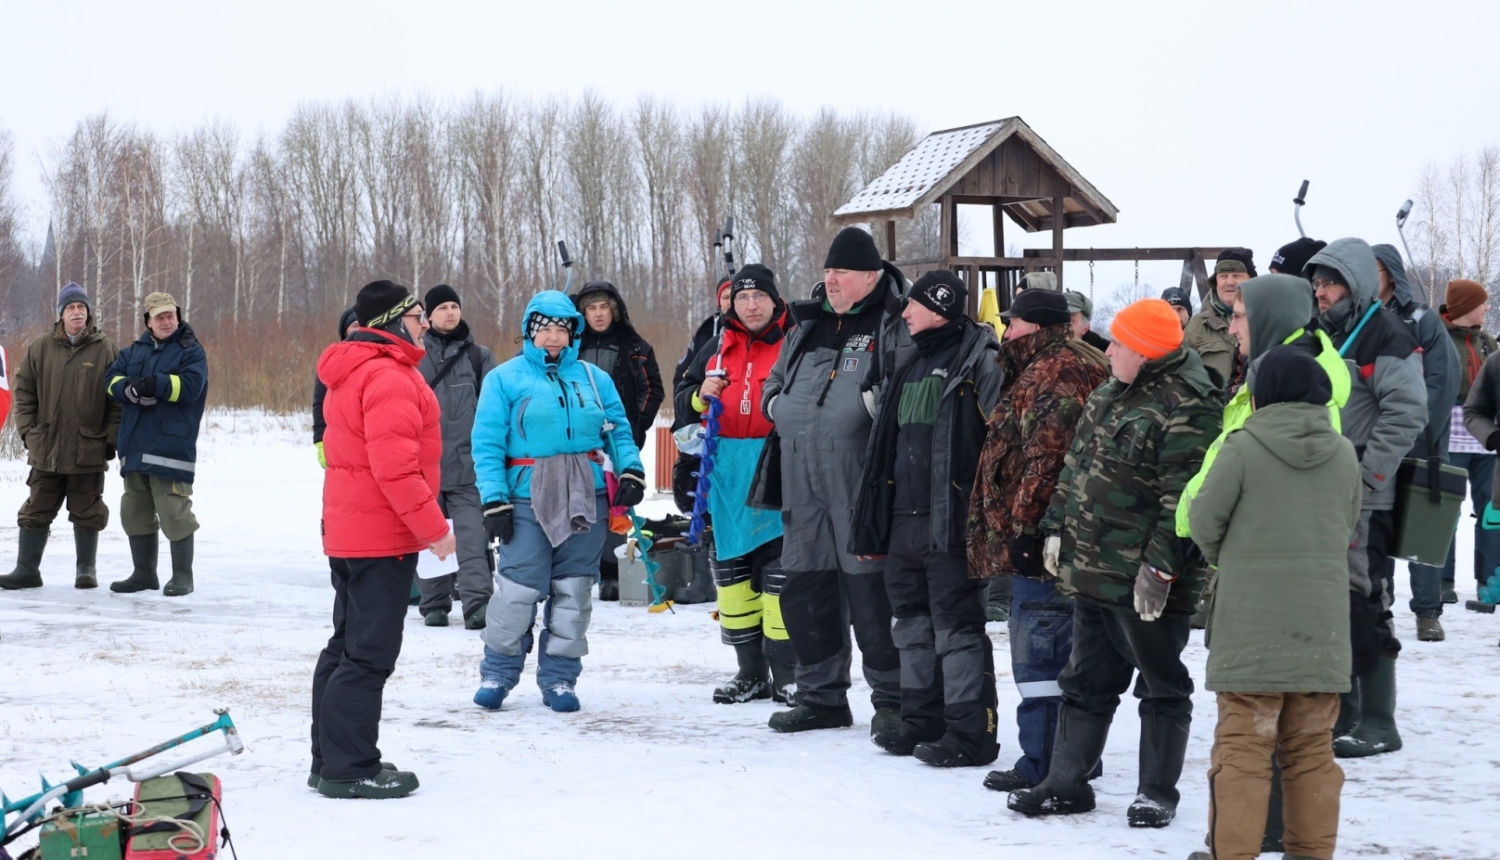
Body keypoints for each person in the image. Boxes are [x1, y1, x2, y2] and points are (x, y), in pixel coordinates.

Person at [1007, 298, 1220, 828]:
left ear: (1145, 352)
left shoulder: (1190, 403)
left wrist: (1161, 569)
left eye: (1120, 343)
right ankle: (1066, 783)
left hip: (1146, 580)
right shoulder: (1109, 392)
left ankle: (1156, 793)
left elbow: (1184, 502)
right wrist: (1054, 529)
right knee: (1084, 680)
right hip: (1093, 571)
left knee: (1161, 684)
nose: (1110, 350)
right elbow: (1076, 470)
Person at [1186, 346, 1361, 860]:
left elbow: (1204, 522)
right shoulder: (1345, 451)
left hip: (1250, 625)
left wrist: (1235, 558)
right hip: (1322, 627)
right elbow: (1345, 528)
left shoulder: (1242, 446)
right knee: (1312, 752)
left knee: (1243, 748)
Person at [755, 226, 905, 735]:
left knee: (872, 597)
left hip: (859, 478)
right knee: (806, 590)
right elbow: (774, 381)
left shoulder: (892, 320)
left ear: (871, 275)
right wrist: (776, 405)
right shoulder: (806, 325)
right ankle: (821, 697)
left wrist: (873, 406)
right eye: (827, 271)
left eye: (841, 272)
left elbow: (906, 383)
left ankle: (893, 702)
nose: (831, 280)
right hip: (802, 477)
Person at [850, 270, 1003, 767]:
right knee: (911, 624)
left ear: (938, 306)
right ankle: (922, 720)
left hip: (951, 520)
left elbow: (1000, 442)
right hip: (904, 520)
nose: (905, 313)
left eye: (913, 305)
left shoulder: (981, 360)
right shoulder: (909, 363)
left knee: (957, 628)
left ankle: (970, 733)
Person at [311, 279, 453, 799]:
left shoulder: (352, 370)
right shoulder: (389, 376)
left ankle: (329, 760)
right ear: (394, 320)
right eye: (416, 314)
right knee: (368, 655)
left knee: (344, 647)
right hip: (379, 536)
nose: (422, 322)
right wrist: (434, 530)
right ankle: (350, 768)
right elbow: (396, 468)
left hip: (351, 532)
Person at [471, 291, 645, 714]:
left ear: (573, 334)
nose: (553, 337)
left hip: (587, 496)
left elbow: (618, 431)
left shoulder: (593, 379)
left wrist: (631, 470)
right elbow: (487, 443)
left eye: (561, 329)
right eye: (544, 329)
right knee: (517, 591)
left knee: (573, 592)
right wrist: (494, 500)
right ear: (530, 332)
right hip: (526, 496)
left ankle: (560, 680)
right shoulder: (504, 379)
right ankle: (498, 670)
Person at [968, 288, 1110, 793]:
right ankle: (1068, 758)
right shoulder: (1053, 364)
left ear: (1038, 327)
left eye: (1015, 324)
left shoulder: (1057, 371)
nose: (1006, 331)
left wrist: (1028, 530)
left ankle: (1047, 762)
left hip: (1049, 543)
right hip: (1059, 537)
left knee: (1042, 653)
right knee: (1056, 650)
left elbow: (1046, 460)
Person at [1303, 238, 1427, 759]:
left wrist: (1366, 476)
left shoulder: (1386, 333)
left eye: (1329, 283)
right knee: (1339, 602)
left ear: (1353, 283)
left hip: (1363, 496)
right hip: (1329, 491)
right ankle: (1347, 714)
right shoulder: (1325, 334)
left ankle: (1379, 721)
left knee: (1369, 598)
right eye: (1316, 284)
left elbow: (1408, 412)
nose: (1321, 293)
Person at [676, 264, 795, 704]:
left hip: (778, 467)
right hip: (725, 474)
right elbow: (685, 399)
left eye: (759, 297)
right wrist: (697, 394)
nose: (750, 305)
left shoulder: (795, 340)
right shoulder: (715, 346)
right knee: (732, 577)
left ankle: (787, 674)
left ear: (774, 299)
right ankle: (750, 673)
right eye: (742, 298)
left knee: (779, 576)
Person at [0, 284, 120, 591]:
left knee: (88, 510)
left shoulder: (105, 348)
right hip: (47, 449)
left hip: (88, 449)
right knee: (35, 510)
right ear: (61, 314)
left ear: (88, 312)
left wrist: (110, 440)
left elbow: (117, 400)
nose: (77, 312)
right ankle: (27, 569)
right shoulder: (41, 347)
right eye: (71, 308)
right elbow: (23, 389)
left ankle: (86, 570)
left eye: (81, 307)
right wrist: (28, 432)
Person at [1373, 244, 1461, 641]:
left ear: (1390, 273)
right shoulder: (1363, 319)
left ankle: (1427, 612)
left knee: (1422, 527)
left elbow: (1443, 377)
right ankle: (1379, 607)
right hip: (1377, 441)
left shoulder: (1422, 318)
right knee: (1378, 524)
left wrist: (1415, 428)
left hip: (1422, 441)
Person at [104, 293, 208, 597]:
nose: (166, 321)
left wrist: (156, 384)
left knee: (173, 510)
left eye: (170, 316)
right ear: (148, 321)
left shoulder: (191, 351)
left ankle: (182, 576)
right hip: (134, 443)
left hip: (171, 444)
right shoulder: (132, 351)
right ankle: (144, 574)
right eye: (159, 317)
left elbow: (190, 387)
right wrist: (128, 390)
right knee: (133, 509)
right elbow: (110, 380)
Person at [413, 284, 498, 630]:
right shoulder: (413, 357)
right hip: (426, 467)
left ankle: (478, 604)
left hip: (469, 468)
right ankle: (434, 604)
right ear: (428, 317)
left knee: (472, 537)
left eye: (454, 305)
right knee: (430, 538)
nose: (450, 312)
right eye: (442, 307)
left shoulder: (479, 357)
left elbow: (496, 409)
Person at [572, 281, 663, 601]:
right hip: (578, 440)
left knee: (615, 503)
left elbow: (652, 390)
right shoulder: (571, 344)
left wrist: (636, 426)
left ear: (614, 310)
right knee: (581, 499)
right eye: (591, 308)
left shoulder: (634, 345)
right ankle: (579, 567)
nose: (598, 315)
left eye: (604, 308)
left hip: (617, 439)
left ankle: (611, 571)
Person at [1443, 279, 1500, 598]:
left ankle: (1490, 580)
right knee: (1446, 513)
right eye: (1482, 303)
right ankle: (1443, 580)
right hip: (1448, 439)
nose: (1487, 308)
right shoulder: (1439, 341)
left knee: (1492, 510)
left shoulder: (1489, 343)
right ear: (1466, 308)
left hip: (1487, 440)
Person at [670, 279, 734, 513]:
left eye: (735, 295)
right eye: (726, 297)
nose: (732, 302)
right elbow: (682, 381)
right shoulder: (708, 334)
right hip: (704, 434)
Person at [1184, 247, 1255, 386]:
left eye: (1236, 276)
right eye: (1223, 276)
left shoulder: (1267, 322)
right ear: (1215, 282)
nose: (1229, 282)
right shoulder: (1196, 327)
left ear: (1252, 280)